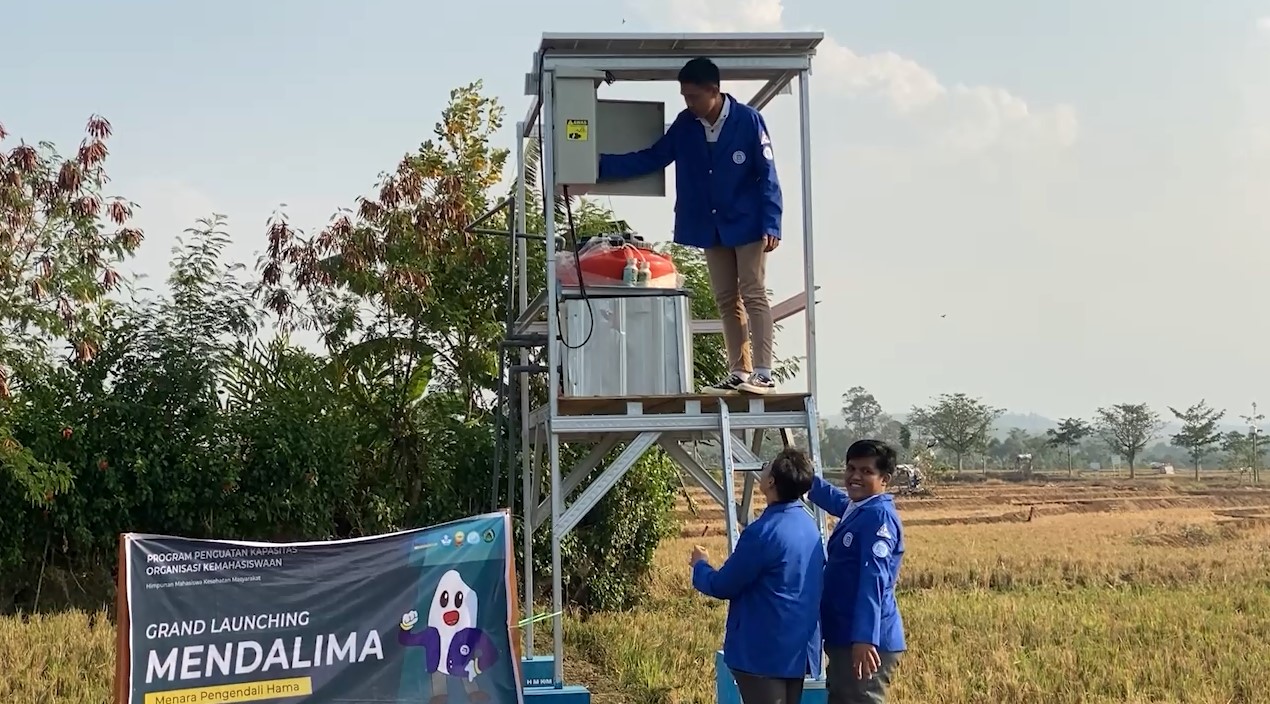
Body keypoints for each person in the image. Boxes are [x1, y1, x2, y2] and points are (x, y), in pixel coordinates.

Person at [597, 56, 783, 396]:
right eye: (685, 97)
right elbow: (655, 156)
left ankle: (763, 372)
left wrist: (772, 220)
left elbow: (768, 175)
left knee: (753, 291)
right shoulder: (686, 124)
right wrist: (599, 165)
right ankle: (739, 371)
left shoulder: (748, 121)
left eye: (694, 97)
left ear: (714, 91)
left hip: (748, 222)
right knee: (727, 298)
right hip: (710, 225)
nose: (689, 103)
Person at [689, 448, 824, 704]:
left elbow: (723, 585)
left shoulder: (762, 533)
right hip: (797, 647)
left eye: (766, 466)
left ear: (772, 481)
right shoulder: (808, 525)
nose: (762, 471)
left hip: (763, 651)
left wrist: (700, 566)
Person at [805, 439, 907, 704]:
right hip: (844, 632)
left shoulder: (878, 518)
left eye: (866, 471)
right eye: (851, 469)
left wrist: (864, 639)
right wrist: (803, 477)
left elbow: (873, 581)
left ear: (884, 479)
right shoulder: (860, 507)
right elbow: (836, 500)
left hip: (863, 641)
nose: (855, 477)